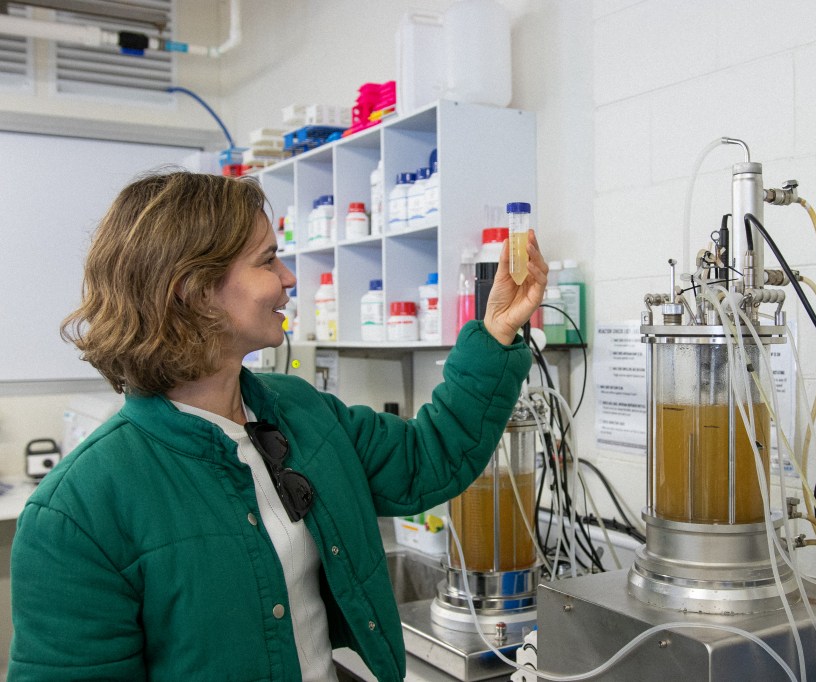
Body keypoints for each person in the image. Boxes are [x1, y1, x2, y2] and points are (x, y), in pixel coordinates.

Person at [7, 170, 547, 682]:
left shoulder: (302, 413)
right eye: (268, 261)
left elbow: (428, 459)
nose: (289, 279)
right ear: (193, 290)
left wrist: (496, 330)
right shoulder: (76, 513)